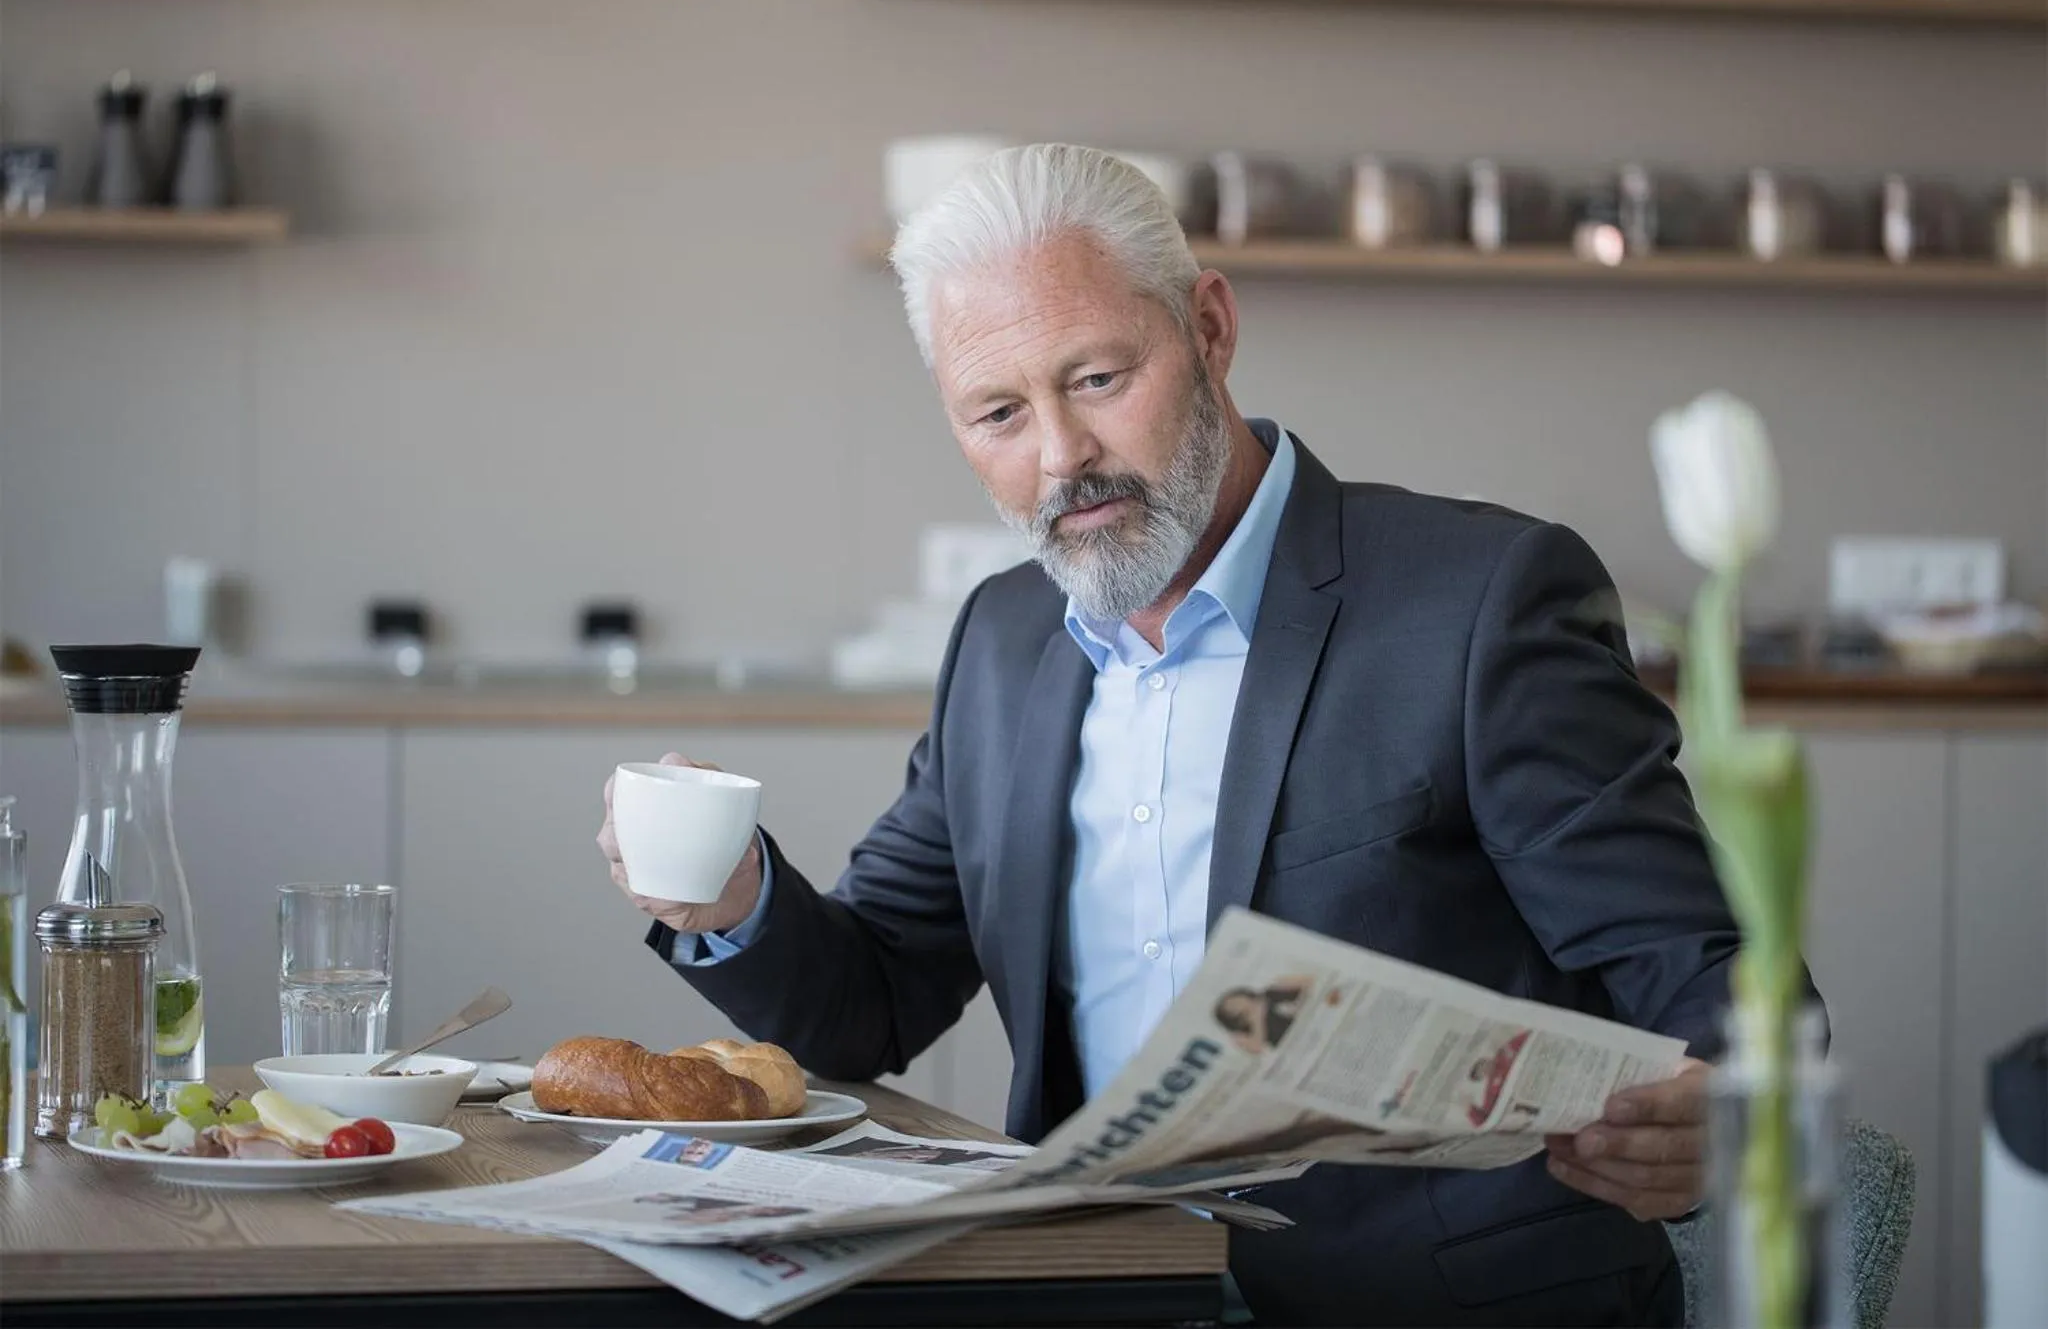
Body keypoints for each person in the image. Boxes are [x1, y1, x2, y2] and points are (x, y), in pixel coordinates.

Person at [598, 144, 1818, 1325]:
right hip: (1099, 1287)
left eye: (1096, 380)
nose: (1061, 458)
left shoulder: (1479, 601)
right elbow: (870, 1002)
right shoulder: (1003, 639)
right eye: (996, 413)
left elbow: (1721, 990)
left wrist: (1725, 1115)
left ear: (1209, 330)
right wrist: (733, 894)